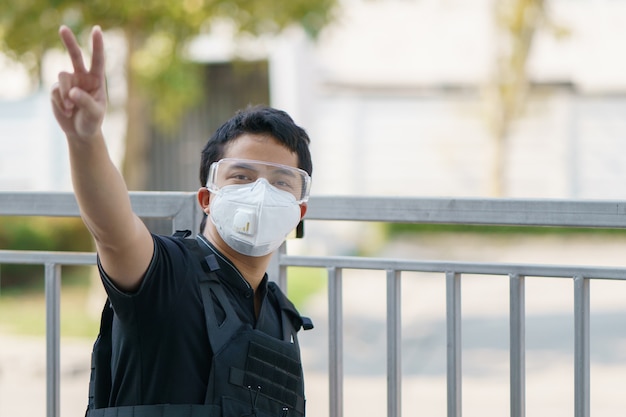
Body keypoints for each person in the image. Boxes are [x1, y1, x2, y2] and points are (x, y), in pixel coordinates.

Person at [50, 25, 313, 417]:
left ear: (299, 211)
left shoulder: (279, 316)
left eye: (280, 182)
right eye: (241, 177)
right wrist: (85, 140)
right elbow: (112, 228)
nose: (260, 193)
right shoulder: (166, 273)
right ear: (207, 198)